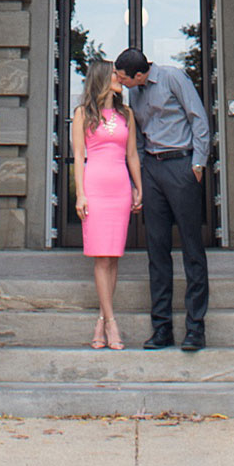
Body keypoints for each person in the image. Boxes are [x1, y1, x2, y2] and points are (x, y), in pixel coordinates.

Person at [113, 45, 210, 352]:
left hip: (181, 165)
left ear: (139, 74)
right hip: (152, 170)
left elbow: (199, 119)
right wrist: (139, 178)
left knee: (192, 249)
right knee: (157, 251)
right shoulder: (134, 93)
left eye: (122, 78)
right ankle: (162, 329)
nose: (119, 82)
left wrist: (198, 164)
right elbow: (138, 137)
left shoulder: (173, 78)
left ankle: (195, 329)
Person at [71, 57, 142, 351]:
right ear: (101, 78)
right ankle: (112, 323)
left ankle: (102, 319)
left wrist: (139, 188)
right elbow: (78, 156)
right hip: (96, 187)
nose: (120, 78)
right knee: (101, 256)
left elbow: (132, 155)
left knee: (113, 256)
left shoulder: (127, 114)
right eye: (114, 74)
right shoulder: (82, 114)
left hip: (120, 187)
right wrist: (80, 194)